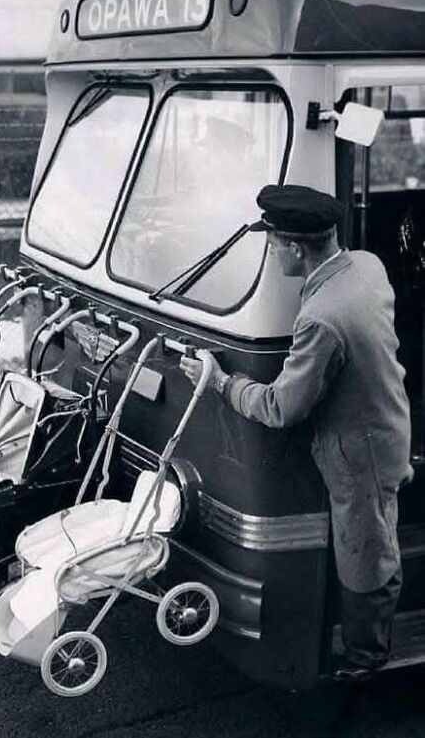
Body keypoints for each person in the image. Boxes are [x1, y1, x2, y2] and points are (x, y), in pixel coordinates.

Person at [181, 184, 413, 683]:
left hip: (362, 454)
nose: (270, 252)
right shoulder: (366, 267)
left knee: (366, 556)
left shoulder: (322, 319)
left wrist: (223, 382)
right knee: (366, 541)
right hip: (385, 428)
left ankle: (366, 660)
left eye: (271, 244)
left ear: (293, 248)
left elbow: (282, 407)